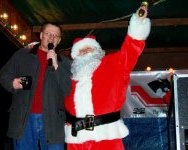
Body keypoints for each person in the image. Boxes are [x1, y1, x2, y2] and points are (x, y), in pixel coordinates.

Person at [64, 6, 151, 150]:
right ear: (75, 57)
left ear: (98, 51)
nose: (85, 53)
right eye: (81, 51)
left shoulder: (112, 65)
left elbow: (129, 51)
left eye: (89, 49)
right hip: (76, 140)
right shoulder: (71, 77)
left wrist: (137, 25)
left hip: (107, 137)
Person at [0, 23, 71, 150]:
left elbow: (68, 89)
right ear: (41, 35)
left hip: (52, 120)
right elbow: (4, 75)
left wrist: (56, 66)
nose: (51, 38)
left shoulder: (65, 63)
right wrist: (12, 83)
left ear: (59, 40)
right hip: (24, 119)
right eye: (48, 33)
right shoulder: (22, 55)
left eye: (55, 36)